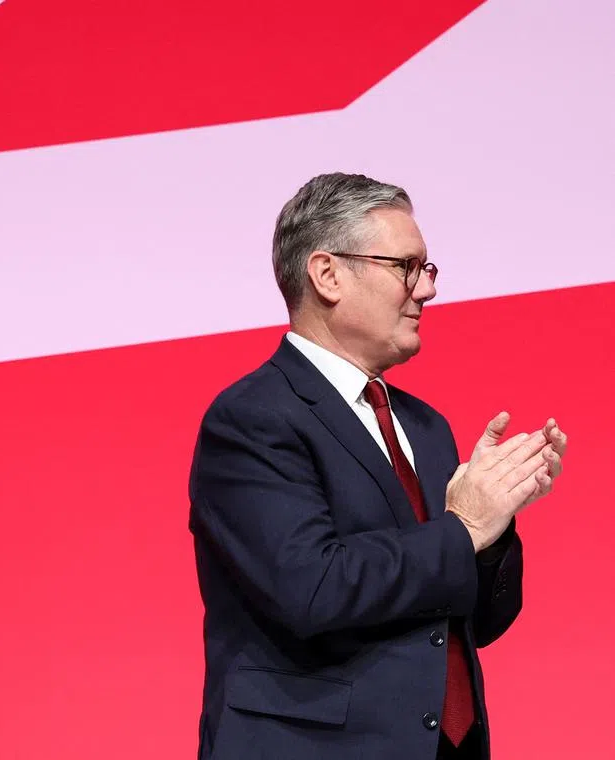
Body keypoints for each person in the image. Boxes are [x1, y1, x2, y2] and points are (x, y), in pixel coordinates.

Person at [188, 173, 567, 760]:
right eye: (406, 267)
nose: (427, 290)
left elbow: (472, 624)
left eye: (427, 269)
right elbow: (312, 588)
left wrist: (494, 520)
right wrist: (463, 528)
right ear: (328, 274)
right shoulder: (252, 419)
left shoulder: (426, 426)